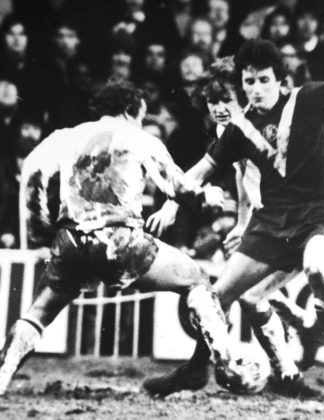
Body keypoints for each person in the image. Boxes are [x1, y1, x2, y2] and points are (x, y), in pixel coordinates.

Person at [144, 38, 324, 398]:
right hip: (271, 223)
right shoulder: (240, 128)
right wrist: (171, 203)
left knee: (315, 269)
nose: (256, 89)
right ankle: (195, 369)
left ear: (280, 80)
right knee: (217, 297)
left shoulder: (308, 97)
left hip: (319, 215)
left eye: (263, 80)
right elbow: (201, 170)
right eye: (248, 81)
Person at [0, 81, 239, 396]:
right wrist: (206, 196)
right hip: (122, 241)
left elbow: (32, 173)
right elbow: (177, 187)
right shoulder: (140, 138)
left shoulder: (65, 136)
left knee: (39, 312)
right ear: (131, 110)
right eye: (141, 114)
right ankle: (226, 362)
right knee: (196, 279)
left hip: (71, 241)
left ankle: (2, 374)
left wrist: (40, 230)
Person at [144, 56, 319, 398]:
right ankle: (293, 359)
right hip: (270, 221)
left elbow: (208, 172)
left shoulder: (264, 126)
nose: (219, 108)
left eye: (226, 99)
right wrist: (242, 223)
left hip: (300, 221)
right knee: (243, 296)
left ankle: (199, 368)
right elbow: (242, 178)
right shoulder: (230, 131)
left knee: (230, 295)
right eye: (212, 101)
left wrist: (172, 204)